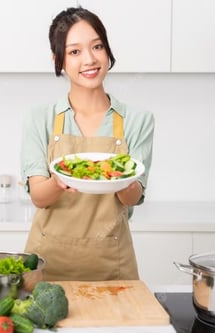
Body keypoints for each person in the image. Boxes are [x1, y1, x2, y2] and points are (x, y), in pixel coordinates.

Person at [20, 7, 154, 281]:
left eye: (97, 46)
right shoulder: (40, 118)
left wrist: (122, 178)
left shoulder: (138, 120)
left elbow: (133, 197)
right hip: (48, 265)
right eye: (74, 52)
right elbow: (38, 196)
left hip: (112, 265)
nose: (90, 59)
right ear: (58, 59)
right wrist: (59, 181)